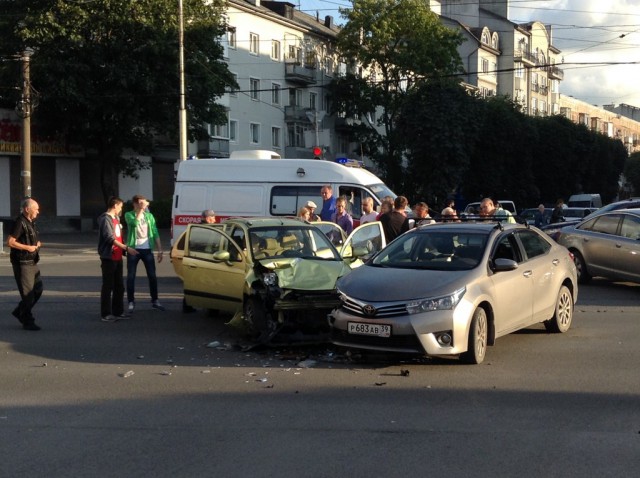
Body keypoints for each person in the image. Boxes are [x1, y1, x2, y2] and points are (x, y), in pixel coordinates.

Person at [98, 197, 138, 322]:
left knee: (119, 286)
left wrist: (123, 249)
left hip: (117, 255)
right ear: (115, 205)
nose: (121, 209)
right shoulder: (106, 219)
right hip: (108, 256)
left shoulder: (116, 218)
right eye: (120, 206)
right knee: (108, 285)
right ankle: (105, 314)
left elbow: (119, 236)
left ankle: (118, 311)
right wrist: (126, 247)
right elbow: (109, 238)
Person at [7, 198, 44, 331]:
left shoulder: (31, 223)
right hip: (22, 263)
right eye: (36, 209)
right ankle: (27, 320)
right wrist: (27, 248)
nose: (38, 212)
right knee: (28, 295)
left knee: (38, 289)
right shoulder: (19, 222)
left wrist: (36, 245)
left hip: (32, 261)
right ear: (27, 209)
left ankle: (19, 311)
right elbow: (10, 242)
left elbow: (30, 239)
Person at [125, 194, 165, 313]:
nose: (143, 205)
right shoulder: (129, 214)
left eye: (144, 203)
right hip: (133, 249)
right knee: (131, 276)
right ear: (135, 204)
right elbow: (134, 224)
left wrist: (160, 249)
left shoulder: (149, 216)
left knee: (152, 275)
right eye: (140, 203)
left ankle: (155, 300)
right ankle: (131, 301)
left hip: (147, 249)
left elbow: (155, 232)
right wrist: (140, 210)